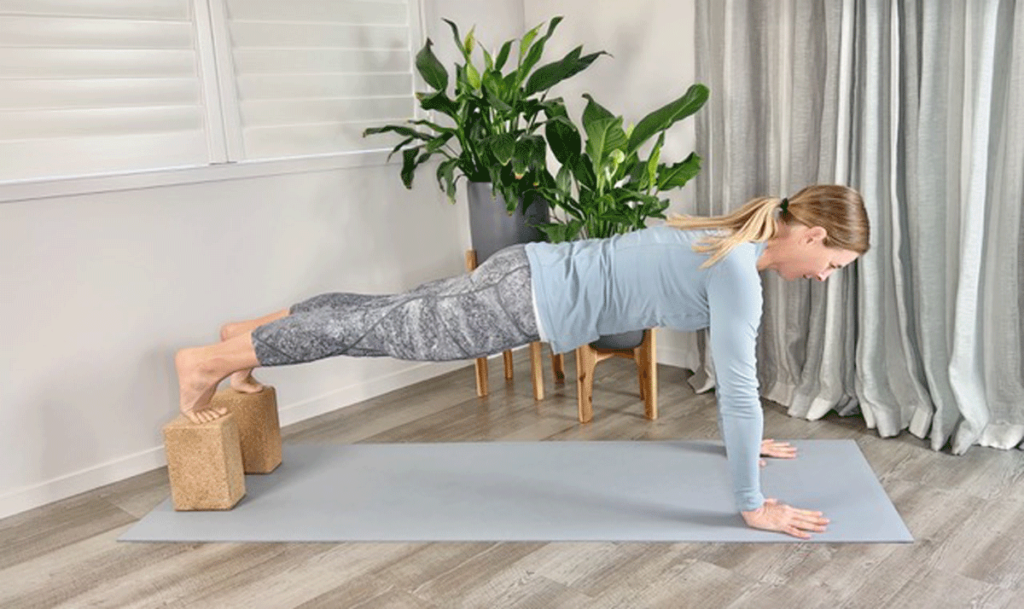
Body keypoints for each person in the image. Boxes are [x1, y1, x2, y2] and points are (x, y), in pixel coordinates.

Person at [174, 183, 869, 539]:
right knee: (382, 328)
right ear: (812, 235)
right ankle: (208, 361)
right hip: (522, 302)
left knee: (383, 314)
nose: (825, 276)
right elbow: (740, 393)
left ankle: (248, 334)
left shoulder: (732, 236)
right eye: (833, 263)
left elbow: (738, 394)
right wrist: (751, 503)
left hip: (525, 270)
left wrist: (748, 443)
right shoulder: (740, 272)